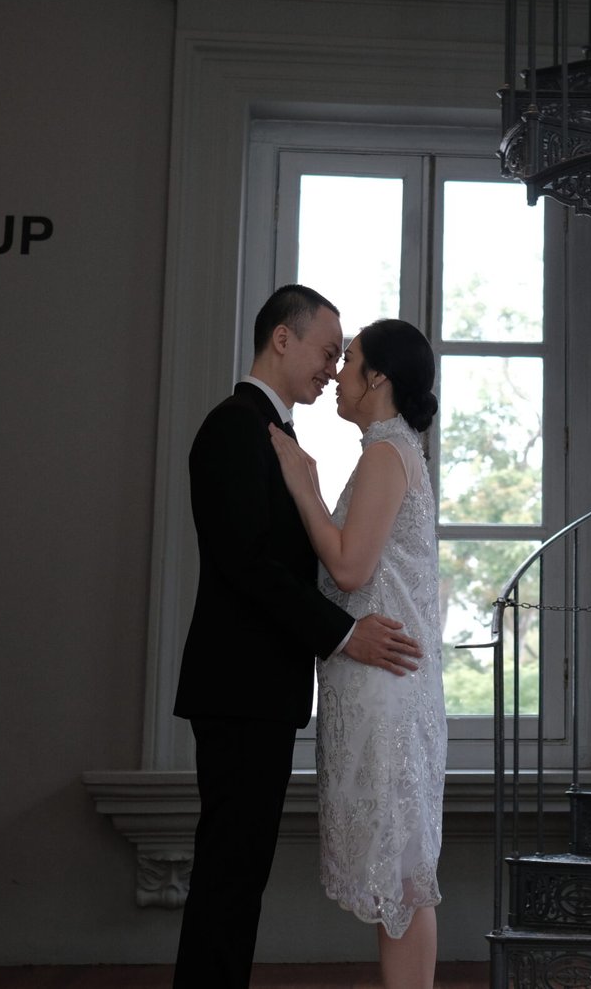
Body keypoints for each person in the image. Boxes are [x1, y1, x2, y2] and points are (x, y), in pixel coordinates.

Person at [172, 285, 424, 989]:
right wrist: (345, 635)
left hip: (261, 690)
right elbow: (247, 563)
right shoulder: (234, 427)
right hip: (240, 688)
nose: (333, 367)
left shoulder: (275, 435)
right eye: (327, 351)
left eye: (345, 357)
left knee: (239, 873)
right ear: (282, 338)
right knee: (229, 873)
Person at [267, 317, 446, 989]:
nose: (338, 374)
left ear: (378, 378)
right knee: (402, 877)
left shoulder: (386, 453)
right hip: (382, 686)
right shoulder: (395, 450)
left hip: (384, 691)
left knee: (400, 880)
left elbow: (349, 567)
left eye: (350, 362)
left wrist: (302, 482)